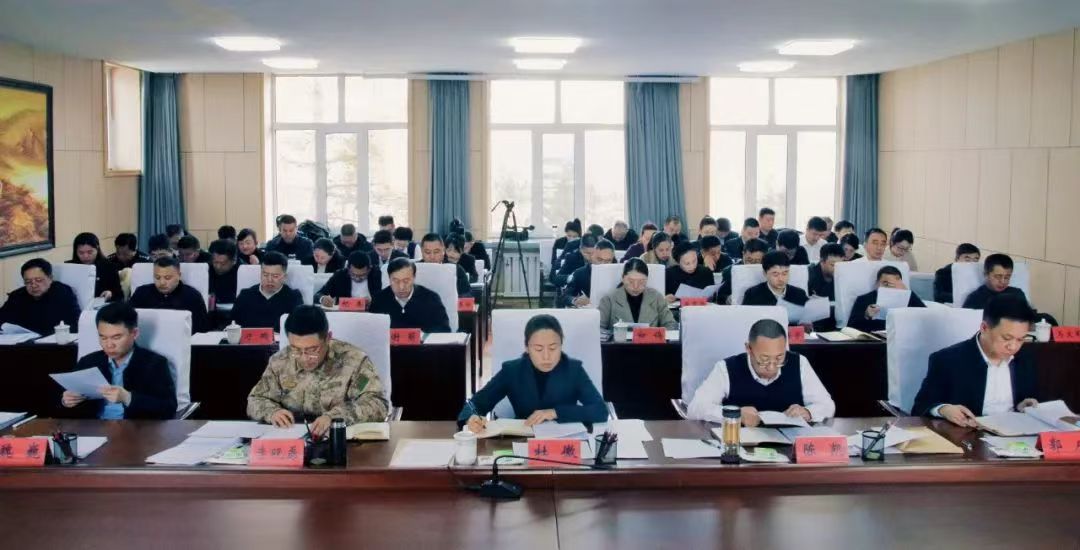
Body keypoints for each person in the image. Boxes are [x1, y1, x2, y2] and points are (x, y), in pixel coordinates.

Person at [247, 305, 389, 435]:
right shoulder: (280, 361)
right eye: (296, 349)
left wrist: (335, 417)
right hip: (291, 437)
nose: (304, 358)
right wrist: (272, 412)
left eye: (312, 349)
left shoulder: (354, 361)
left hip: (339, 439)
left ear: (328, 338)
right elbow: (255, 399)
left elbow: (377, 404)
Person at [460, 314, 607, 430]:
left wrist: (555, 412)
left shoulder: (574, 370)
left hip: (565, 444)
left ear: (561, 345)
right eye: (538, 349)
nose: (546, 356)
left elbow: (600, 410)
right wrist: (471, 418)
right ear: (527, 348)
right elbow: (474, 404)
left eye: (553, 348)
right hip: (523, 442)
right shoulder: (512, 371)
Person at [912, 294, 1040, 425]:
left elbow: (1028, 400)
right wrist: (943, 409)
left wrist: (1024, 406)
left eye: (1020, 339)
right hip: (969, 433)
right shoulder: (948, 360)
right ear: (984, 328)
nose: (1013, 347)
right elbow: (920, 408)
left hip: (1014, 433)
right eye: (1006, 338)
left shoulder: (1025, 358)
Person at [687, 319, 835, 425]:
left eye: (779, 358)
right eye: (764, 359)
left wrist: (808, 413)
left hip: (789, 448)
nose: (771, 367)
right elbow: (696, 408)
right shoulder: (726, 368)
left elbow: (828, 405)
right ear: (748, 349)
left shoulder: (799, 363)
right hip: (740, 446)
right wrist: (736, 415)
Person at [60, 302, 177, 420]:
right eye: (103, 337)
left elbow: (168, 408)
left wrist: (128, 398)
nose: (109, 345)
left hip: (135, 428)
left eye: (116, 337)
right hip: (93, 427)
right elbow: (60, 407)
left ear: (134, 333)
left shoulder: (154, 364)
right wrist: (66, 401)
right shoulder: (88, 362)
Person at [128, 257, 210, 333]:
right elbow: (128, 321)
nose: (162, 282)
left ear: (179, 276)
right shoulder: (141, 293)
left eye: (167, 278)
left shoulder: (193, 296)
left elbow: (202, 330)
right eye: (157, 277)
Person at [368, 258, 451, 333]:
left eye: (406, 281)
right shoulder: (378, 300)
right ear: (389, 278)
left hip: (423, 345)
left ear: (414, 278)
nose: (401, 287)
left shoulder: (431, 299)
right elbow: (371, 332)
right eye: (396, 281)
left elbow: (444, 330)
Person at [0, 258, 80, 336]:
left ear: (50, 278)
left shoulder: (63, 292)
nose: (34, 285)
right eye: (28, 282)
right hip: (21, 342)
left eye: (38, 280)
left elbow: (75, 324)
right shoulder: (17, 296)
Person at [598, 259, 678, 332]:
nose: (635, 286)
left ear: (647, 279)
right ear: (623, 278)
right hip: (618, 342)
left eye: (641, 282)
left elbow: (671, 325)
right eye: (631, 281)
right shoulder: (608, 299)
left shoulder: (657, 297)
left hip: (651, 343)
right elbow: (598, 329)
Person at [231, 252, 304, 330]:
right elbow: (232, 324)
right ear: (260, 274)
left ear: (285, 277)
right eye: (265, 275)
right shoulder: (245, 295)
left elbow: (299, 327)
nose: (269, 280)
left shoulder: (293, 297)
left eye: (275, 276)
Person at [847, 266, 926, 333]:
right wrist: (866, 316)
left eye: (892, 284)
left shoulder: (909, 297)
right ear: (877, 283)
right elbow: (851, 328)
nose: (888, 287)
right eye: (885, 283)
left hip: (901, 336)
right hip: (874, 340)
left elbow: (924, 318)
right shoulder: (864, 299)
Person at [742, 251, 810, 317]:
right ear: (765, 273)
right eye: (775, 274)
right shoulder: (752, 295)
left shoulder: (799, 294)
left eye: (785, 273)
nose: (781, 279)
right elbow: (745, 318)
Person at [68, 232, 122, 302]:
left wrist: (110, 293)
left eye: (90, 252)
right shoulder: (70, 268)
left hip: (102, 306)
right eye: (81, 253)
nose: (85, 256)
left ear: (97, 249)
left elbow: (120, 296)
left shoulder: (109, 267)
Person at [961, 253, 1028, 310]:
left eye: (1007, 277)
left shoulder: (1017, 294)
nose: (1003, 281)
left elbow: (1027, 318)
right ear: (986, 274)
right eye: (998, 276)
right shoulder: (974, 299)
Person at [563, 239, 616, 308]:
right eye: (599, 259)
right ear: (592, 256)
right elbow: (566, 296)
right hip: (589, 310)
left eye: (608, 261)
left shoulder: (619, 273)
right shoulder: (580, 273)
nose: (603, 264)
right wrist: (575, 300)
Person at [715, 238, 768, 305]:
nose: (752, 264)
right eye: (749, 260)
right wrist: (727, 299)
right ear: (743, 254)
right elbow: (720, 296)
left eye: (757, 261)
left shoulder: (769, 270)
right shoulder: (730, 271)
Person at [207, 239, 240, 304]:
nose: (218, 267)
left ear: (234, 261)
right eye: (215, 262)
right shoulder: (205, 269)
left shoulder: (242, 272)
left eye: (223, 264)